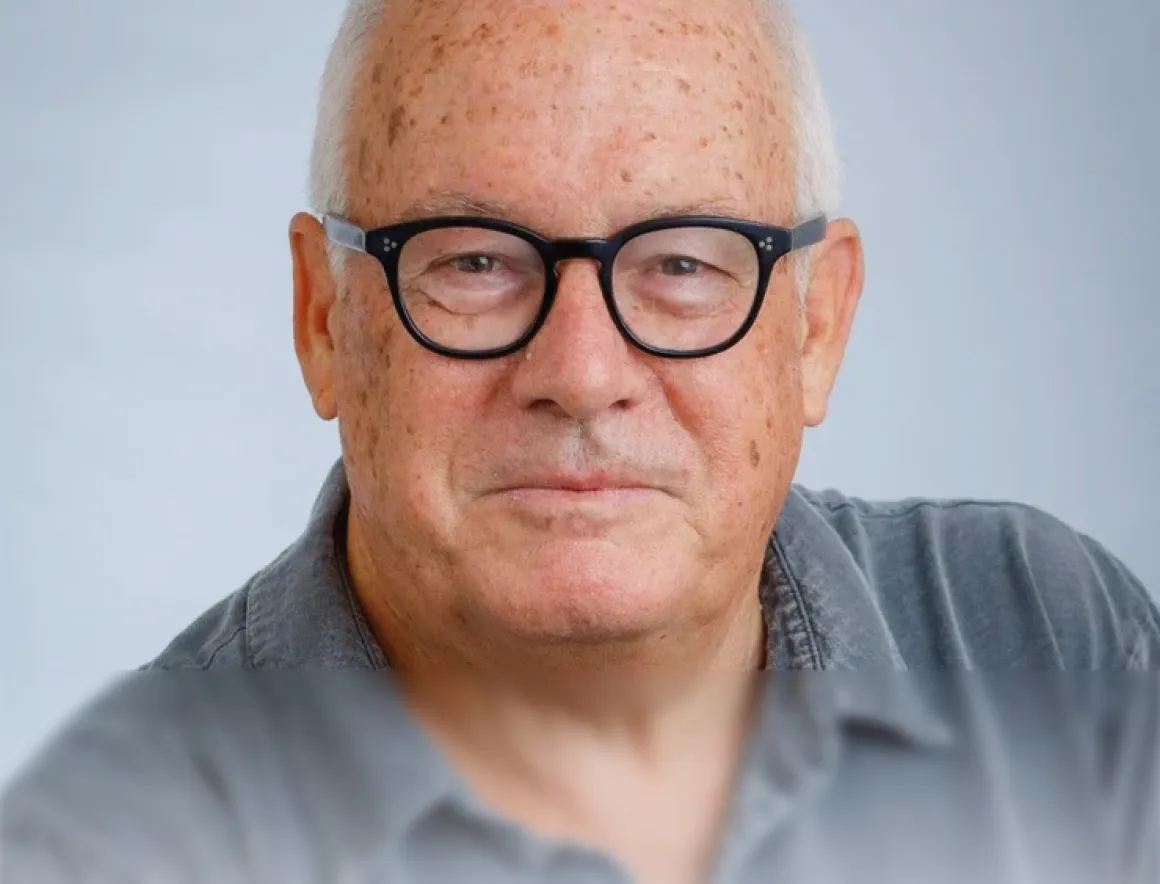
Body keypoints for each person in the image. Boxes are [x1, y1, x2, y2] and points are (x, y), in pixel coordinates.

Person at [3, 0, 1158, 882]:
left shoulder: (1051, 643)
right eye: (471, 260)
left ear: (815, 326)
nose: (580, 374)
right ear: (323, 320)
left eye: (683, 264)